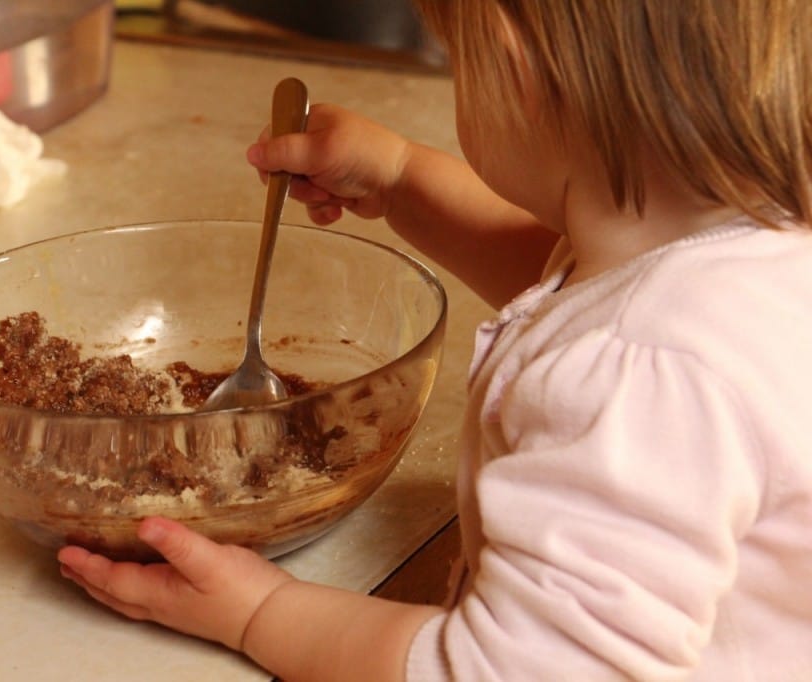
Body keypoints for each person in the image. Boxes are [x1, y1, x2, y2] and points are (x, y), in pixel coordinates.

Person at [57, 1, 812, 678]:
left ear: (513, 74)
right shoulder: (746, 248)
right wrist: (401, 179)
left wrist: (260, 614)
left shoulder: (641, 376)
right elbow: (566, 275)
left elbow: (514, 673)